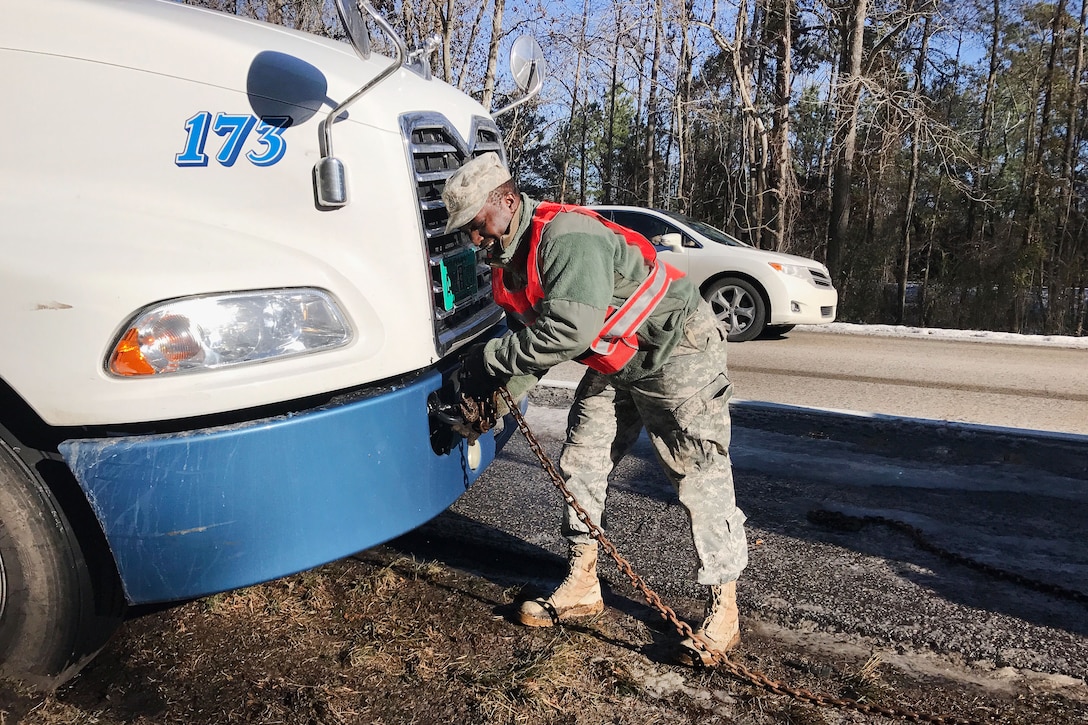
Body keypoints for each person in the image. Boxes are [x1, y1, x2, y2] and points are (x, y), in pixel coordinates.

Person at [442, 152, 748, 665]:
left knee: (698, 472)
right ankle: (583, 582)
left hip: (677, 350)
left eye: (477, 225)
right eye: (466, 232)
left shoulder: (566, 238)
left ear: (507, 201)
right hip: (618, 359)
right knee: (582, 458)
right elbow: (530, 344)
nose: (475, 240)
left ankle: (724, 609)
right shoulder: (510, 263)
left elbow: (567, 332)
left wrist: (486, 362)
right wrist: (495, 401)